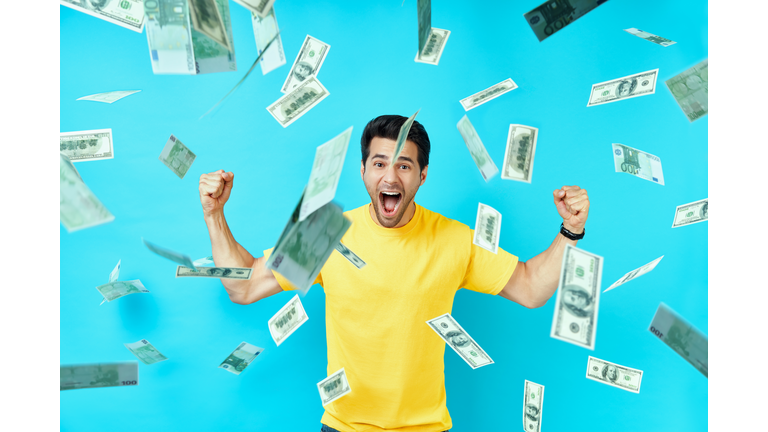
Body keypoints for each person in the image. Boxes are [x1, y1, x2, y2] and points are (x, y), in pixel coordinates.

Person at [199, 115, 591, 432]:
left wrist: (570, 231)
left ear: (422, 176)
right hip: (344, 428)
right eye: (379, 163)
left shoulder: (454, 238)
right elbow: (244, 287)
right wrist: (214, 215)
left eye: (404, 165)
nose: (390, 177)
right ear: (364, 172)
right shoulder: (325, 232)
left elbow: (530, 289)